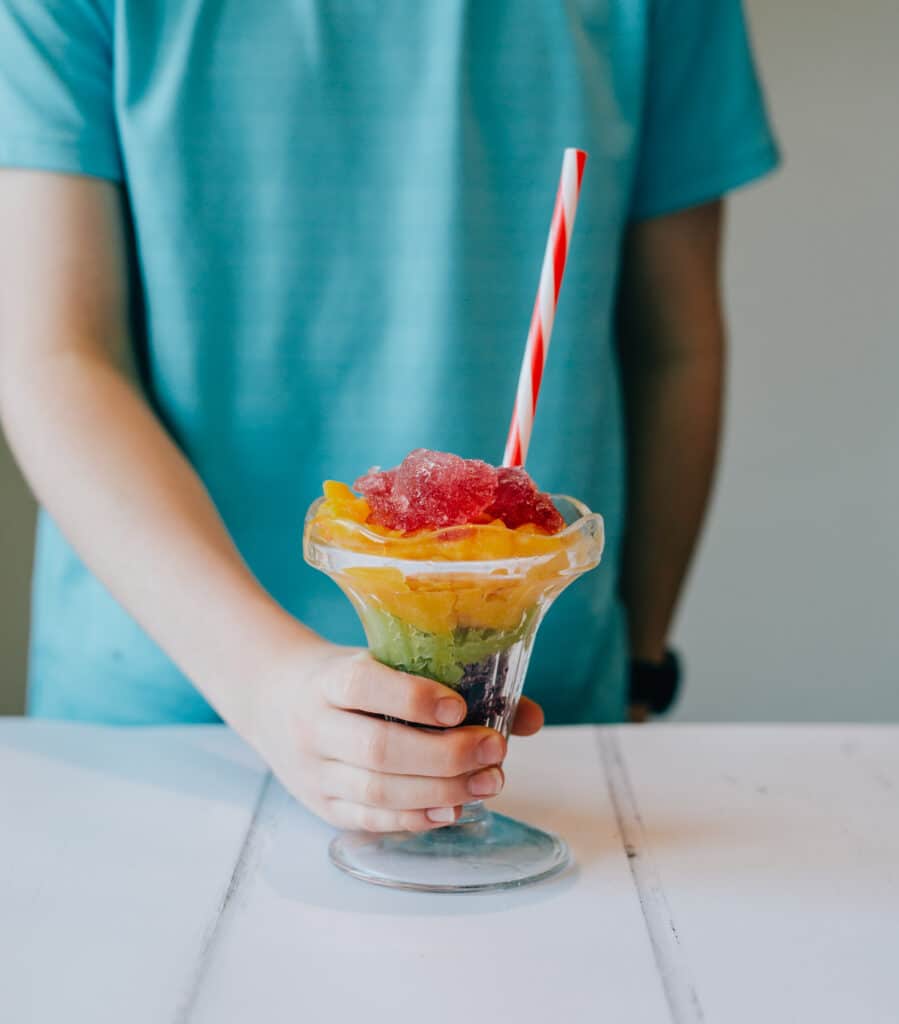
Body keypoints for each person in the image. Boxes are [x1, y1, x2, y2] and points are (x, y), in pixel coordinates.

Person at [0, 1, 777, 832]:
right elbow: (52, 353)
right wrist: (269, 682)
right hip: (164, 718)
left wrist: (640, 666)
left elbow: (674, 346)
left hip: (540, 719)